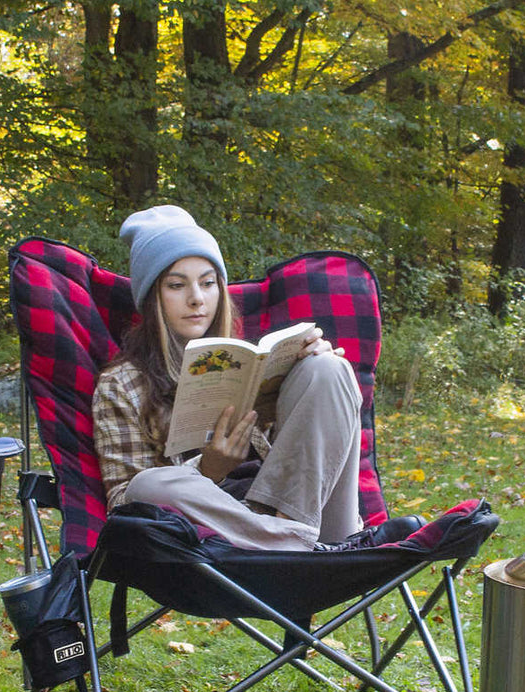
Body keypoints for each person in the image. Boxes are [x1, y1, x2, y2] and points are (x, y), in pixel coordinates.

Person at [92, 206, 420, 551]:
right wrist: (208, 469)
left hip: (311, 518)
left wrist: (320, 374)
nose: (197, 299)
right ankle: (294, 547)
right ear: (151, 296)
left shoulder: (249, 363)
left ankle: (292, 538)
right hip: (217, 545)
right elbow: (123, 507)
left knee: (329, 368)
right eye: (177, 285)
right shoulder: (122, 384)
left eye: (208, 283)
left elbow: (305, 467)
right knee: (147, 488)